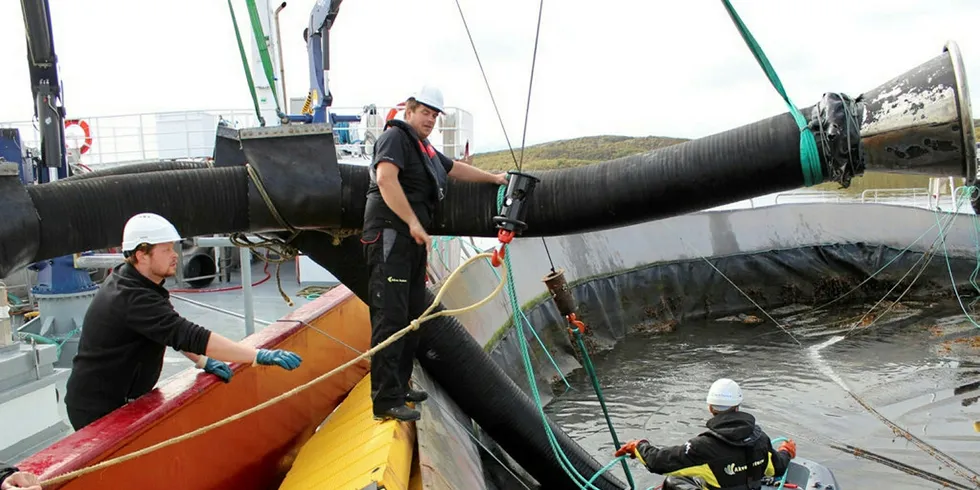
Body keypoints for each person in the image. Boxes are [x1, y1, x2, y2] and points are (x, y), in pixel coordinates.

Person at [64, 212, 304, 431]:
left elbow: (167, 329)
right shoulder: (132, 297)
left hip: (120, 398)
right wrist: (256, 356)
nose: (175, 255)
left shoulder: (137, 281)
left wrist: (202, 360)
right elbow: (189, 334)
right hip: (98, 411)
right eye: (166, 250)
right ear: (141, 255)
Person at [361, 85, 508, 422]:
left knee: (412, 315)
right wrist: (412, 222)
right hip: (391, 237)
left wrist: (493, 178)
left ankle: (399, 385)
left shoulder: (423, 148)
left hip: (411, 242)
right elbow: (385, 179)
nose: (430, 119)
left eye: (434, 115)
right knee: (391, 317)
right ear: (409, 110)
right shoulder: (395, 139)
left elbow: (454, 168)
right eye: (425, 112)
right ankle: (384, 400)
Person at [614, 378, 797, 490]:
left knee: (672, 481)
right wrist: (786, 451)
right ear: (738, 406)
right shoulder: (760, 438)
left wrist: (638, 446)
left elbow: (658, 462)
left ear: (710, 408)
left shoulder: (703, 446)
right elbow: (776, 467)